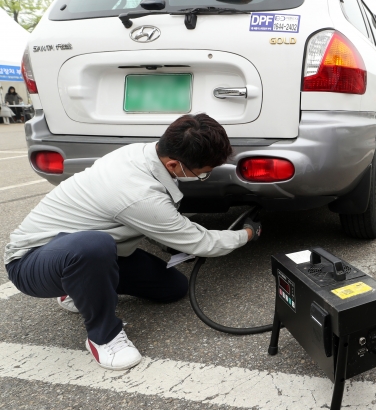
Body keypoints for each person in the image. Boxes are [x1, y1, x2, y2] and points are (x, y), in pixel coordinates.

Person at [4, 114, 262, 371]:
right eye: (203, 174)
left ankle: (77, 288)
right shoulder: (137, 194)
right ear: (173, 164)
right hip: (33, 261)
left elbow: (163, 222)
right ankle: (103, 337)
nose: (202, 177)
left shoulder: (139, 153)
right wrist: (248, 234)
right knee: (93, 246)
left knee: (173, 288)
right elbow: (201, 243)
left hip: (86, 251)